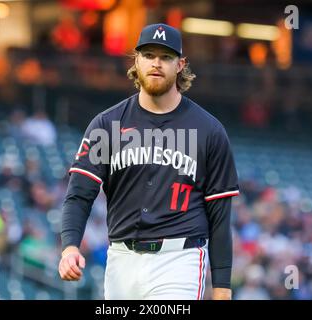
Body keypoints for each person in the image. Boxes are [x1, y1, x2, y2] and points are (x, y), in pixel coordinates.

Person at [58, 23, 239, 300]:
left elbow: (220, 215)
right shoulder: (106, 125)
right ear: (136, 60)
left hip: (179, 259)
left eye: (166, 57)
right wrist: (70, 246)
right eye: (149, 55)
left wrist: (223, 288)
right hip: (120, 258)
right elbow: (79, 195)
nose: (156, 63)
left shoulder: (209, 131)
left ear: (181, 64)